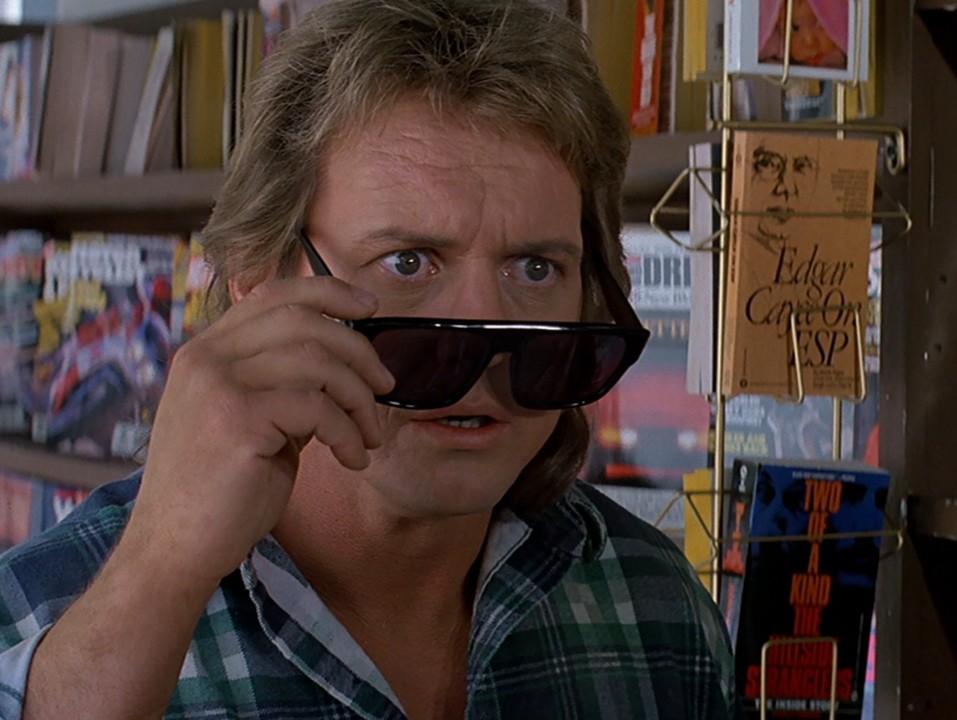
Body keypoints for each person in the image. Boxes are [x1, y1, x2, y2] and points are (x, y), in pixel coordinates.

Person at [0, 1, 735, 718]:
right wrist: (159, 573)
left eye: (536, 269)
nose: (486, 345)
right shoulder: (32, 618)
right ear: (258, 278)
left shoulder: (655, 605)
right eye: (407, 261)